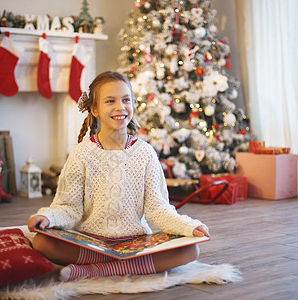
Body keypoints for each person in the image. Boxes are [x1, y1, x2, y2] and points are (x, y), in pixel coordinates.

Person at [28, 71, 210, 282]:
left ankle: (95, 271)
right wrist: (48, 217)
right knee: (42, 242)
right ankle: (125, 267)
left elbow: (158, 208)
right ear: (94, 109)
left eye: (126, 100)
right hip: (90, 243)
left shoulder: (145, 153)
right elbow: (69, 207)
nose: (120, 107)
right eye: (110, 101)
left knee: (190, 251)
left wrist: (188, 226)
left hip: (136, 243)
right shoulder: (81, 153)